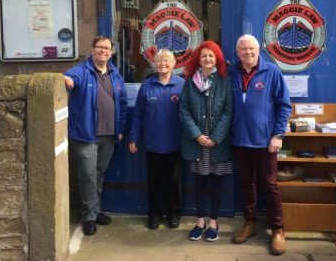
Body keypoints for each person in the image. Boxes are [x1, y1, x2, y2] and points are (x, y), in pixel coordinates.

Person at [229, 34, 292, 255]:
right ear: (238, 53)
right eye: (243, 49)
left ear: (259, 50)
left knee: (270, 184)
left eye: (251, 49)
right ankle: (249, 223)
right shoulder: (232, 73)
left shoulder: (271, 71)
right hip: (240, 139)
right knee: (247, 182)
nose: (248, 52)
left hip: (266, 141)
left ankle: (277, 229)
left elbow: (285, 106)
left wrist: (278, 135)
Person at [64, 35, 128, 236]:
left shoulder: (115, 75)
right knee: (88, 177)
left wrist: (120, 130)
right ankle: (89, 216)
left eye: (107, 48)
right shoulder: (82, 71)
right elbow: (70, 79)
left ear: (111, 52)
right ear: (92, 50)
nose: (103, 50)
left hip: (109, 135)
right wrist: (66, 80)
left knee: (99, 174)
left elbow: (123, 105)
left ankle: (95, 210)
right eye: (99, 47)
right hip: (86, 136)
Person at [180, 41, 233, 242]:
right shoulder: (189, 82)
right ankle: (200, 220)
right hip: (197, 142)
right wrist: (197, 135)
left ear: (217, 59)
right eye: (204, 56)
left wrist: (216, 138)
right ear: (198, 60)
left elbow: (229, 111)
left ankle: (213, 221)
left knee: (216, 182)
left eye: (211, 56)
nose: (208, 59)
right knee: (200, 182)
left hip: (218, 142)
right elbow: (183, 110)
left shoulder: (224, 82)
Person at [128, 49, 185, 230]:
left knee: (174, 181)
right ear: (155, 63)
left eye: (167, 60)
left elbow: (190, 115)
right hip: (153, 143)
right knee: (154, 181)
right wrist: (133, 138)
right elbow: (138, 115)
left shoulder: (182, 85)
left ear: (174, 64)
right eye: (159, 60)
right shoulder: (147, 85)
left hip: (175, 144)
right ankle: (154, 214)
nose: (163, 64)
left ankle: (174, 214)